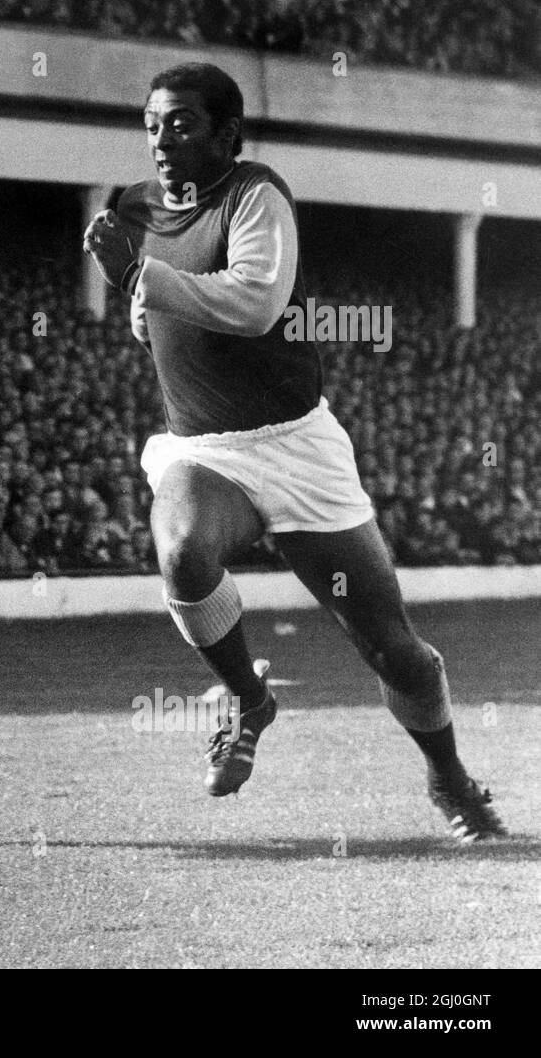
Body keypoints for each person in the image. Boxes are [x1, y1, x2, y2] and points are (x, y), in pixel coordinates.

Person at [83, 61, 504, 842]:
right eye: (151, 125)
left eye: (180, 123)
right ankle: (250, 700)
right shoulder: (136, 207)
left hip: (296, 445)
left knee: (397, 653)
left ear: (228, 133)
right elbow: (156, 318)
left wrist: (144, 278)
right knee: (179, 550)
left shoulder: (257, 193)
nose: (162, 140)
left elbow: (254, 302)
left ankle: (449, 778)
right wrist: (139, 299)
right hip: (204, 448)